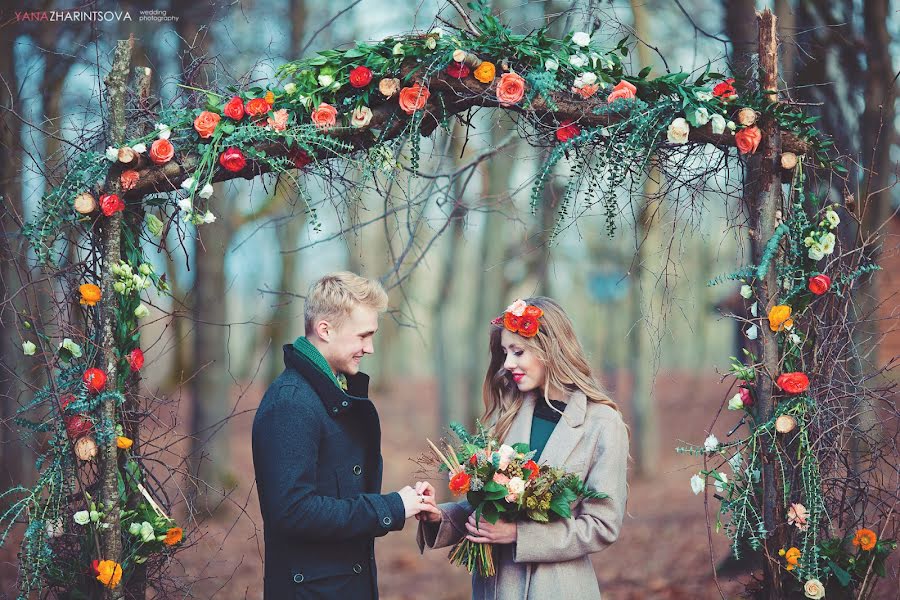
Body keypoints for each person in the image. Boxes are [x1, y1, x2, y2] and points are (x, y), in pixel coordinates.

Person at [416, 296, 629, 599]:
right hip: (496, 588)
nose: (507, 364)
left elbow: (602, 525)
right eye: (504, 352)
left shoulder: (602, 423)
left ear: (551, 350)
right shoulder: (508, 412)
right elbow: (488, 509)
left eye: (518, 352)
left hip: (558, 588)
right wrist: (441, 518)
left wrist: (518, 535)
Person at [252, 271, 438, 599]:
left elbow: (339, 493)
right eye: (363, 336)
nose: (370, 348)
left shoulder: (325, 391)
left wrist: (405, 502)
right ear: (325, 329)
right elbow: (293, 511)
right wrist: (391, 506)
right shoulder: (291, 402)